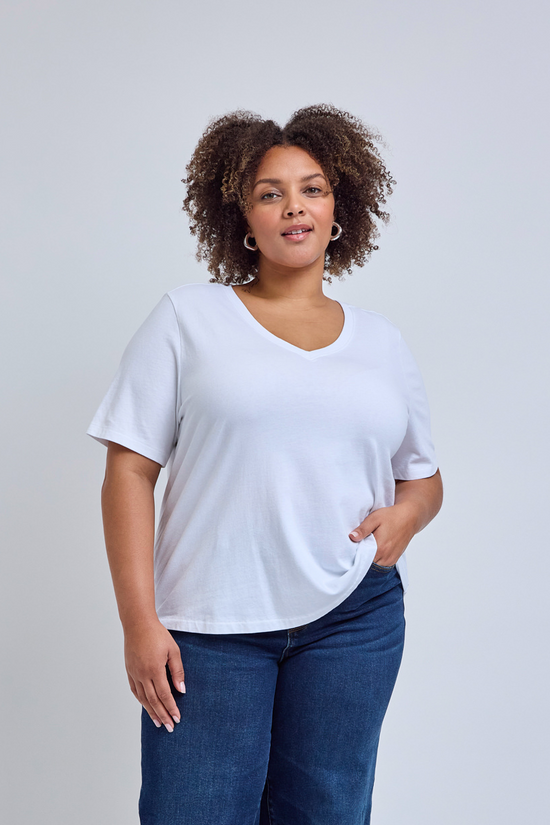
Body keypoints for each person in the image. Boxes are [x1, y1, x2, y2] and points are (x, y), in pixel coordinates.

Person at [88, 104, 443, 825]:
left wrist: (407, 513)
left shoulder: (381, 343)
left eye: (312, 189)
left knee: (329, 812)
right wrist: (139, 622)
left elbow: (424, 477)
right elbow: (129, 470)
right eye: (269, 193)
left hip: (354, 616)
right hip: (210, 626)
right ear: (242, 219)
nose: (294, 208)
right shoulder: (187, 319)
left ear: (340, 206)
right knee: (194, 811)